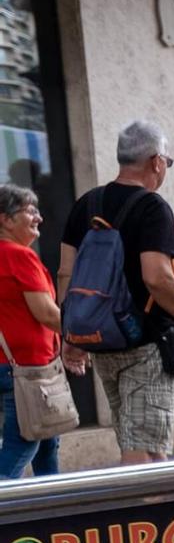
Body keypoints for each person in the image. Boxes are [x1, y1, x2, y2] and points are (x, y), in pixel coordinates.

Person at [57, 119, 174, 466]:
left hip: (102, 342)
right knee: (144, 451)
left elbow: (65, 273)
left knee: (139, 442)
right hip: (145, 344)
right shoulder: (152, 207)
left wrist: (71, 333)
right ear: (156, 161)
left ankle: (154, 512)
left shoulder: (87, 204)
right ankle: (144, 515)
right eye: (167, 161)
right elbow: (157, 276)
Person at [0, 184, 63, 479]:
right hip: (27, 368)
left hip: (11, 365)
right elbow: (47, 313)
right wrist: (86, 335)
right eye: (30, 210)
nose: (38, 217)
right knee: (23, 444)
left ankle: (53, 512)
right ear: (6, 219)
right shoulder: (19, 257)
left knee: (48, 442)